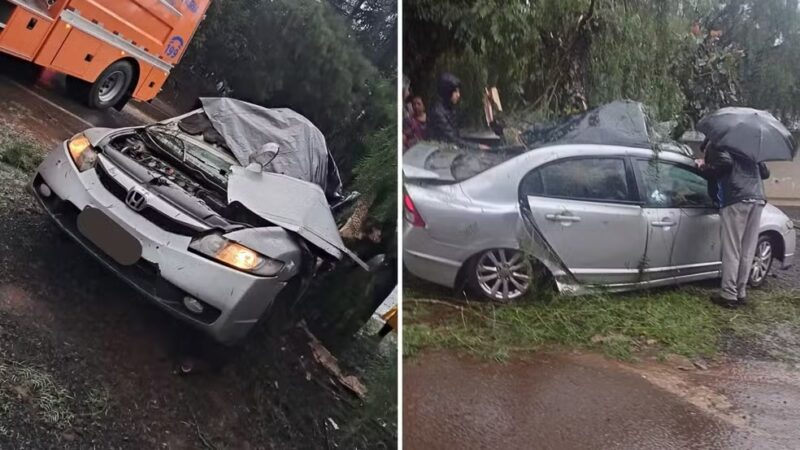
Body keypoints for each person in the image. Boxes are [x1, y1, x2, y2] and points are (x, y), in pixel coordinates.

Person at [697, 139, 770, 308]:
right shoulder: (749, 146)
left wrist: (703, 167)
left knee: (732, 249)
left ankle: (728, 295)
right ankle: (740, 292)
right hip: (757, 199)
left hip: (736, 199)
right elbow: (765, 173)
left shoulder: (719, 144)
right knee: (747, 249)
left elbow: (725, 163)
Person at [428, 73, 488, 150]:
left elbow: (460, 129)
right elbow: (451, 139)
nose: (458, 95)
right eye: (455, 92)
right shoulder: (437, 113)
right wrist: (477, 147)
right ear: (447, 92)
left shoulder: (449, 108)